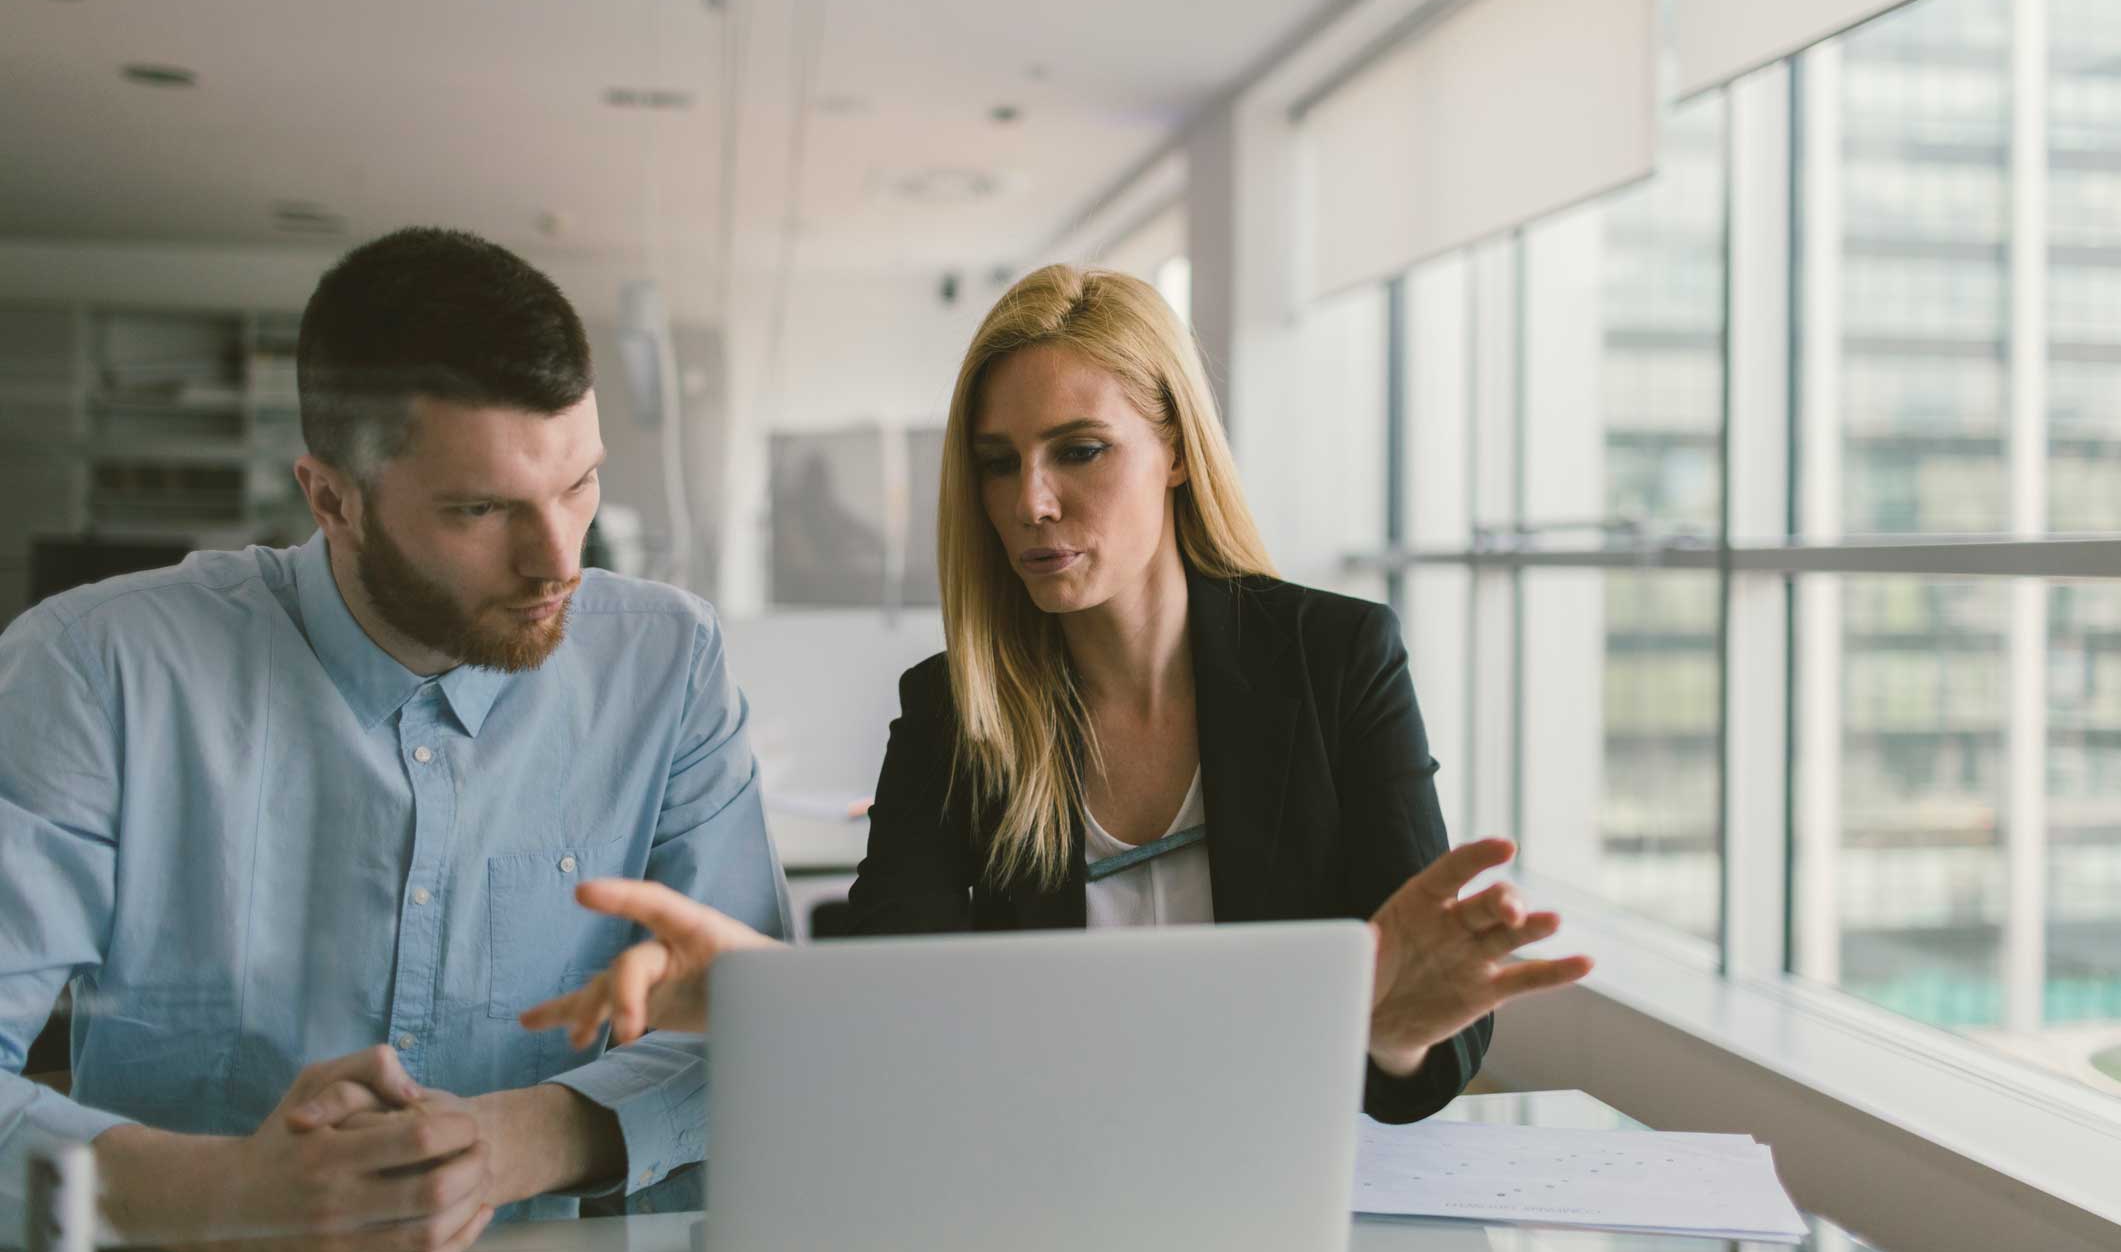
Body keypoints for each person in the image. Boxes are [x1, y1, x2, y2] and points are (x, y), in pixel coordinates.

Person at [525, 265, 1588, 1121]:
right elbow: (906, 1019)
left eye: (1080, 451)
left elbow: (1422, 1039)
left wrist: (1391, 1030)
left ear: (1173, 447)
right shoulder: (953, 713)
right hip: (1047, 1191)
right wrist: (768, 997)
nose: (1032, 502)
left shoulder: (1335, 659)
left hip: (1295, 1197)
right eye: (998, 463)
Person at [0, 228, 788, 1252]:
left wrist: (513, 1140)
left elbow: (755, 1027)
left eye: (579, 485)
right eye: (480, 508)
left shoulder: (667, 663)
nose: (559, 559)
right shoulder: (93, 669)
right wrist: (230, 1192)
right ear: (331, 497)